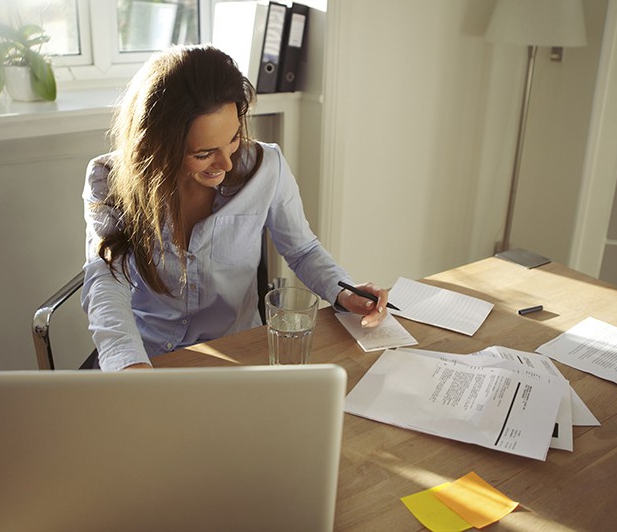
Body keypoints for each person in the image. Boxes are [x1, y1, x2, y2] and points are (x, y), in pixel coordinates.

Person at [81, 45, 390, 371]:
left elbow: (303, 250)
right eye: (203, 154)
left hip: (237, 353)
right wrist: (128, 365)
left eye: (233, 139)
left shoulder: (267, 167)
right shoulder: (109, 178)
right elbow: (106, 278)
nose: (226, 162)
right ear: (158, 145)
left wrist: (344, 292)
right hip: (146, 355)